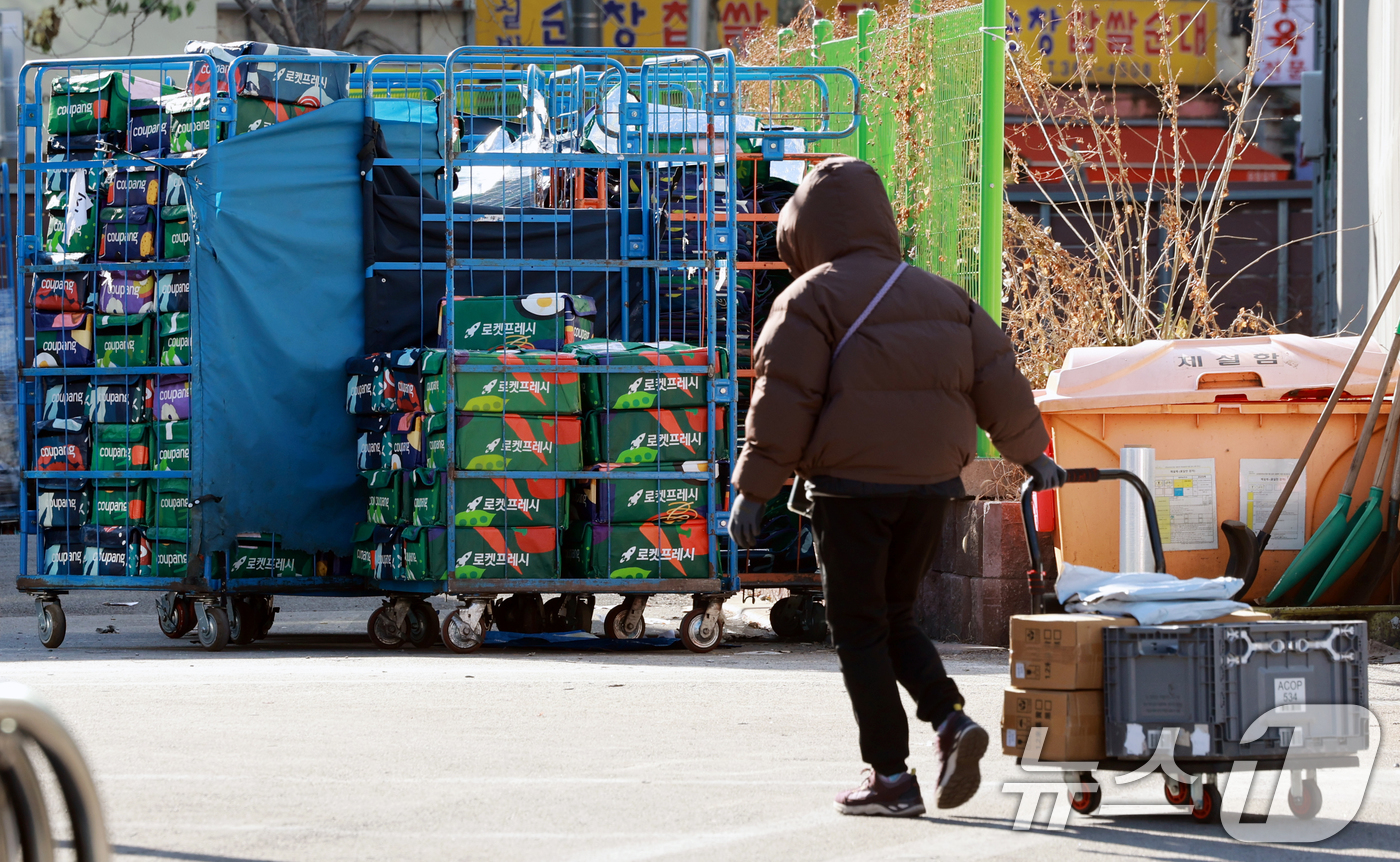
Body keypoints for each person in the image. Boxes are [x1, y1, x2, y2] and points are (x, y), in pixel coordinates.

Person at [728, 157, 1066, 817]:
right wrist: (1033, 456)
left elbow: (783, 401)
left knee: (857, 628)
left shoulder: (807, 298)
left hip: (849, 488)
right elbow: (999, 378)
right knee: (897, 617)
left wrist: (753, 487)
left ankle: (890, 775)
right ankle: (949, 720)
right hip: (932, 483)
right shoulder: (944, 295)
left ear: (806, 229)